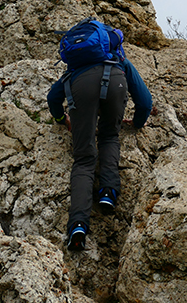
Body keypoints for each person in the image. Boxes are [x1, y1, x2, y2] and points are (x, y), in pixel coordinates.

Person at [46, 28, 153, 251]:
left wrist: (60, 118)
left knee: (84, 158)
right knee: (109, 136)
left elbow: (53, 97)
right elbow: (144, 101)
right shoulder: (119, 59)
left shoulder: (74, 67)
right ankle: (108, 192)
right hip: (116, 82)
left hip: (80, 86)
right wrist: (137, 122)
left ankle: (78, 225)